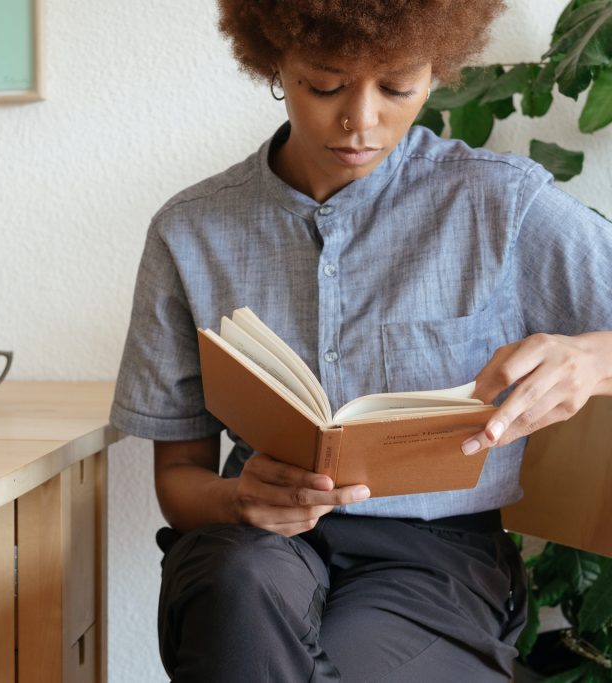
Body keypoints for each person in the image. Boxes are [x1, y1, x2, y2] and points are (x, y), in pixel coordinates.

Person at [110, 1, 612, 681]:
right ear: (274, 63)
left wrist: (592, 356)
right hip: (252, 544)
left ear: (437, 71)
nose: (361, 120)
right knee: (235, 594)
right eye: (325, 84)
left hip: (436, 561)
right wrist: (238, 499)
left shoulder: (500, 204)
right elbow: (179, 479)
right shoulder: (190, 231)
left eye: (398, 86)